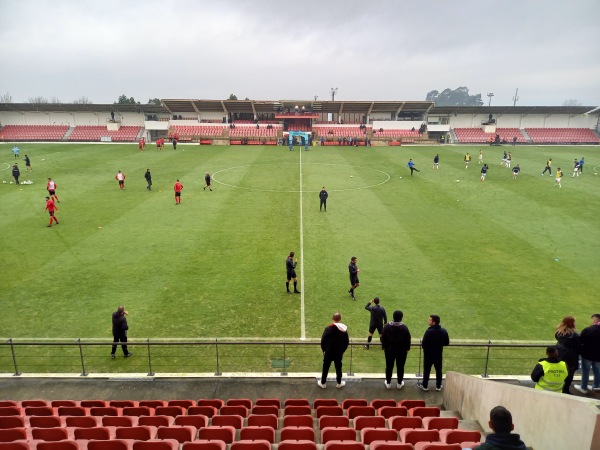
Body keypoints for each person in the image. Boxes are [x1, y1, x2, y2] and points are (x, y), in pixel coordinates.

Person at [417, 314, 449, 392]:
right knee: (439, 370)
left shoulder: (429, 331)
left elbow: (424, 344)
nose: (428, 321)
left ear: (434, 322)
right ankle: (438, 386)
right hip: (438, 354)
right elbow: (446, 342)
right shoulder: (443, 331)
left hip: (428, 355)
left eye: (430, 320)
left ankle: (425, 385)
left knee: (427, 370)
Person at [381, 310, 411, 390]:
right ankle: (399, 383)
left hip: (389, 351)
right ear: (401, 318)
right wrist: (407, 349)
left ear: (393, 317)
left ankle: (388, 383)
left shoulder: (387, 326)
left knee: (389, 366)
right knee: (400, 367)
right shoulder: (404, 328)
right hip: (401, 352)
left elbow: (382, 338)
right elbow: (408, 339)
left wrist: (384, 347)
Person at [318, 312, 349, 389]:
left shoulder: (328, 328)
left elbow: (323, 341)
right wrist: (342, 350)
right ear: (340, 319)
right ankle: (339, 383)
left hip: (328, 352)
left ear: (333, 319)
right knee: (338, 367)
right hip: (338, 353)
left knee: (325, 367)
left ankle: (323, 383)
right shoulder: (343, 329)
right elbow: (346, 342)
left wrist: (324, 350)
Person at [574, 314, 600, 394]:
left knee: (585, 371)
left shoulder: (588, 330)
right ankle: (596, 386)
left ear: (595, 321)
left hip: (587, 355)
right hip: (599, 356)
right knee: (598, 372)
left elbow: (580, 341)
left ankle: (583, 387)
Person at [555, 316, 580, 394]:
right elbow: (579, 346)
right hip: (571, 356)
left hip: (560, 353)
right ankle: (566, 389)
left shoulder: (558, 332)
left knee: (560, 371)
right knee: (570, 373)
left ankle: (558, 387)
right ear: (572, 323)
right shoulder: (575, 335)